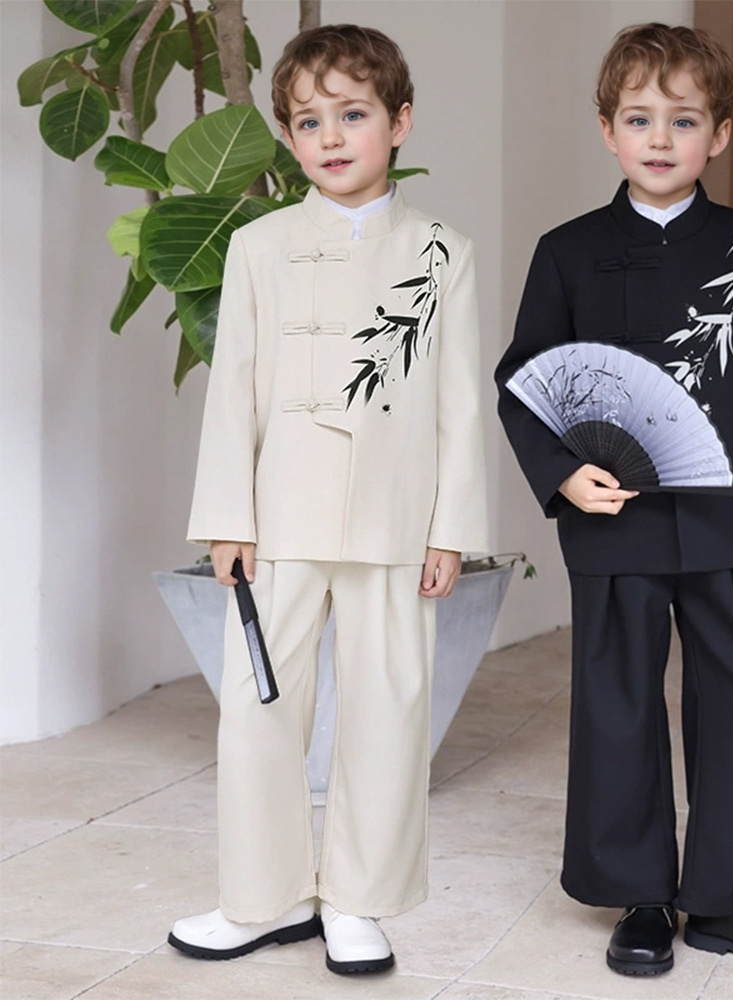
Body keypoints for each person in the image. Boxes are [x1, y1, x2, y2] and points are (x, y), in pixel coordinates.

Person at [495, 22, 733, 977]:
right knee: (618, 706)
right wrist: (562, 473)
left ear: (718, 135)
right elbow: (525, 384)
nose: (659, 138)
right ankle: (639, 895)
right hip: (615, 521)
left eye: (683, 120)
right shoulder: (567, 252)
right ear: (607, 130)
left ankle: (730, 898)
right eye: (639, 118)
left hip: (730, 522)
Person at [168, 24, 488, 976]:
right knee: (258, 708)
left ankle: (357, 900)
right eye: (309, 122)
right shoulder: (258, 246)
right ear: (288, 137)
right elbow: (231, 388)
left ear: (401, 121)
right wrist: (227, 518)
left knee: (389, 710)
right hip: (278, 520)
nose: (332, 137)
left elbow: (459, 401)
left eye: (353, 114)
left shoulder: (442, 252)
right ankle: (261, 900)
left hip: (397, 519)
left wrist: (451, 529)